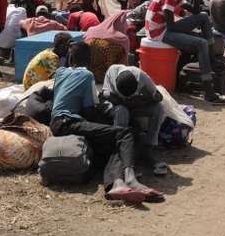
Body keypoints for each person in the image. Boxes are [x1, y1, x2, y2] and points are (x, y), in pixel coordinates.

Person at [49, 42, 163, 204]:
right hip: (69, 121)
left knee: (115, 140)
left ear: (70, 58)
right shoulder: (87, 75)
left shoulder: (60, 72)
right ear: (89, 60)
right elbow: (89, 111)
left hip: (57, 121)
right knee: (124, 133)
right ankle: (130, 179)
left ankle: (116, 184)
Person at [145, 0, 225, 105]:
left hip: (163, 29)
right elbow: (171, 27)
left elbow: (196, 10)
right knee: (201, 43)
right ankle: (209, 92)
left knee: (203, 17)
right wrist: (191, 33)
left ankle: (212, 59)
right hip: (159, 33)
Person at [102, 64, 167, 176]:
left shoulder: (142, 77)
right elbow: (105, 94)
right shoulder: (112, 72)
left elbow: (159, 97)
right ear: (116, 81)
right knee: (122, 111)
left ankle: (148, 149)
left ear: (137, 83)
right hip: (118, 106)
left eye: (130, 95)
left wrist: (143, 99)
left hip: (136, 106)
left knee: (158, 109)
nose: (128, 97)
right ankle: (120, 155)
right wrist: (122, 101)